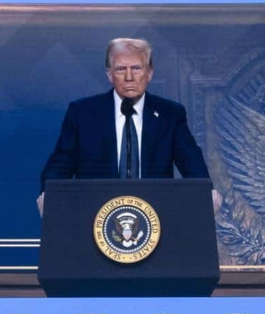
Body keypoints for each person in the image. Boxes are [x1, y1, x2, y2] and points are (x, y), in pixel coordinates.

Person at [39, 38, 208, 199]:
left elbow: (192, 164)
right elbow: (60, 165)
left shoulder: (170, 114)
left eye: (136, 68)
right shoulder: (83, 113)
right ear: (109, 74)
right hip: (95, 214)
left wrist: (208, 192)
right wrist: (48, 193)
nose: (129, 77)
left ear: (149, 73)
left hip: (155, 215)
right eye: (121, 69)